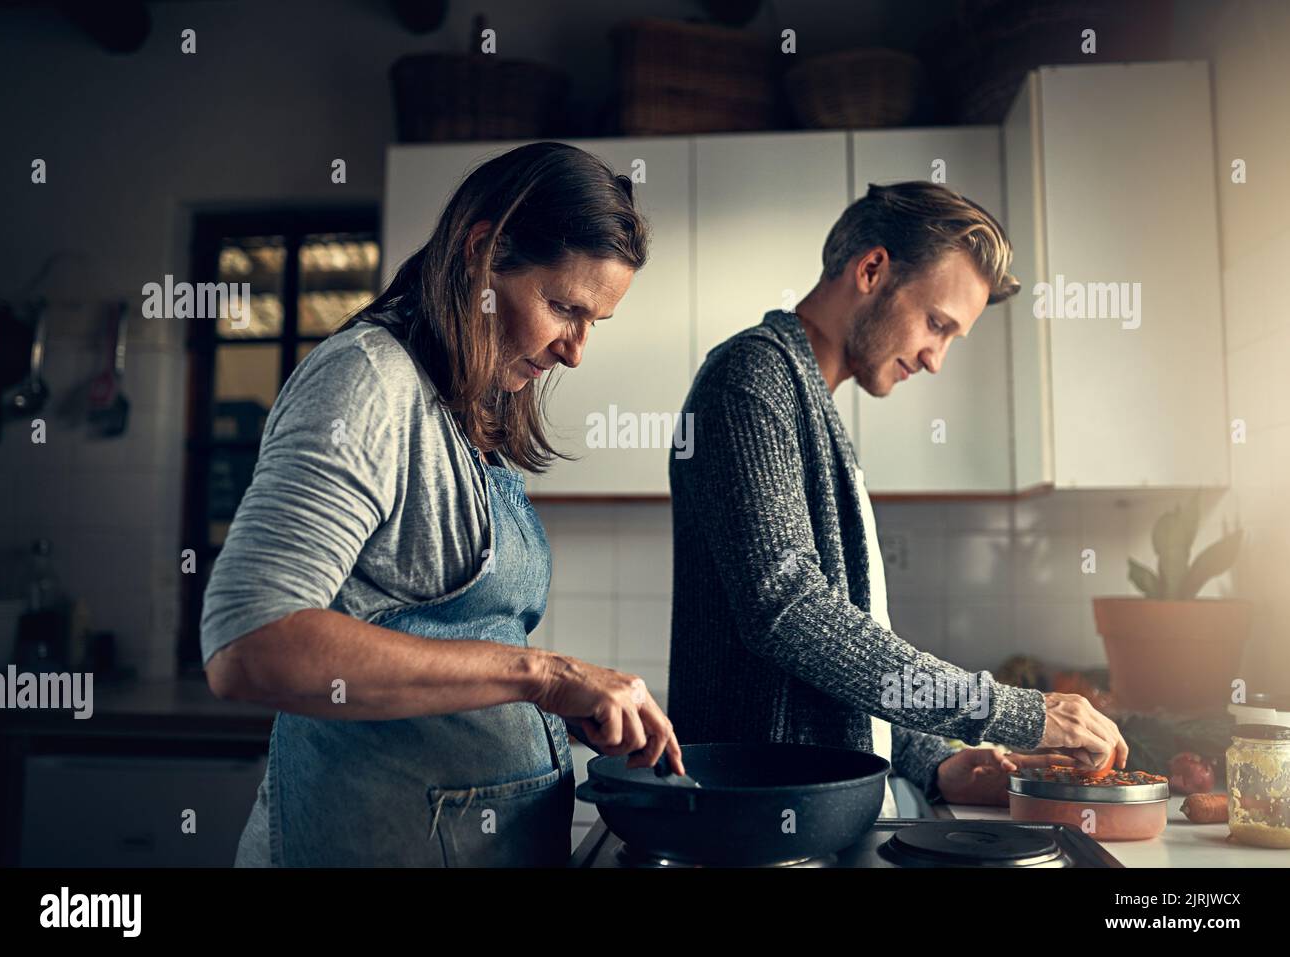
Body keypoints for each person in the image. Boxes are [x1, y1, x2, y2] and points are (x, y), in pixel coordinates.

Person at [202, 142, 683, 867]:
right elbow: (249, 643)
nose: (575, 351)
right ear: (482, 253)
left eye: (594, 323)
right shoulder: (366, 383)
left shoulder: (461, 405)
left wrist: (556, 709)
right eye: (562, 307)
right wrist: (544, 678)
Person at [667, 181, 1126, 815]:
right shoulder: (752, 381)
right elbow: (790, 614)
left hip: (810, 817)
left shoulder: (816, 409)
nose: (936, 359)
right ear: (872, 269)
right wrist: (1015, 712)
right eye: (936, 324)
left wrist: (935, 760)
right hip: (761, 824)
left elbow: (842, 659)